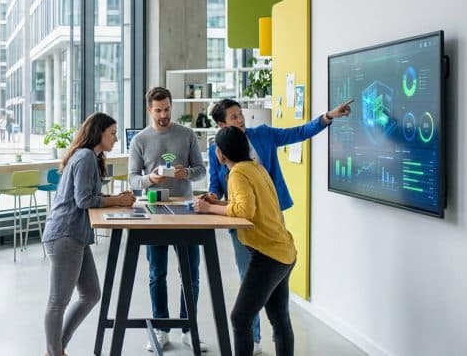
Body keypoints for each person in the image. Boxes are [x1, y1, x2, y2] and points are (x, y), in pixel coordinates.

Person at [208, 97, 353, 353]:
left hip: (267, 233)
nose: (241, 119)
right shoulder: (234, 159)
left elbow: (297, 132)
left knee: (246, 307)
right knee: (257, 293)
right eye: (234, 117)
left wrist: (328, 116)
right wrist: (213, 200)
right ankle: (254, 341)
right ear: (221, 125)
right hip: (266, 237)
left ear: (223, 153)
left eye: (240, 114)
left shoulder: (255, 148)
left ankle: (249, 342)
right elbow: (219, 188)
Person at [195, 126, 297, 356]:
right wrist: (217, 204)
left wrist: (209, 207)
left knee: (240, 318)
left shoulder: (237, 173)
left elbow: (246, 210)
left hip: (268, 255)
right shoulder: (255, 168)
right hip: (284, 251)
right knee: (280, 320)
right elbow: (248, 205)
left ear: (221, 154)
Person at [42, 112, 136, 356]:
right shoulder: (85, 157)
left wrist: (116, 200)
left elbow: (87, 197)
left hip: (76, 235)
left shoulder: (91, 157)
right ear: (98, 133)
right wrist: (117, 200)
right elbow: (84, 200)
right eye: (112, 134)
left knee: (91, 294)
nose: (115, 139)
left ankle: (56, 349)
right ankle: (55, 352)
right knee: (57, 302)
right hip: (65, 234)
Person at [128, 86, 208, 352]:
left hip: (185, 210)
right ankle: (161, 329)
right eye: (158, 110)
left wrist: (186, 173)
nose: (163, 115)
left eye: (167, 109)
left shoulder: (187, 135)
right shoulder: (139, 140)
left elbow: (200, 171)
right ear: (149, 110)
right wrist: (150, 179)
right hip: (155, 211)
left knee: (191, 274)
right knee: (156, 273)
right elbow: (132, 179)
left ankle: (189, 328)